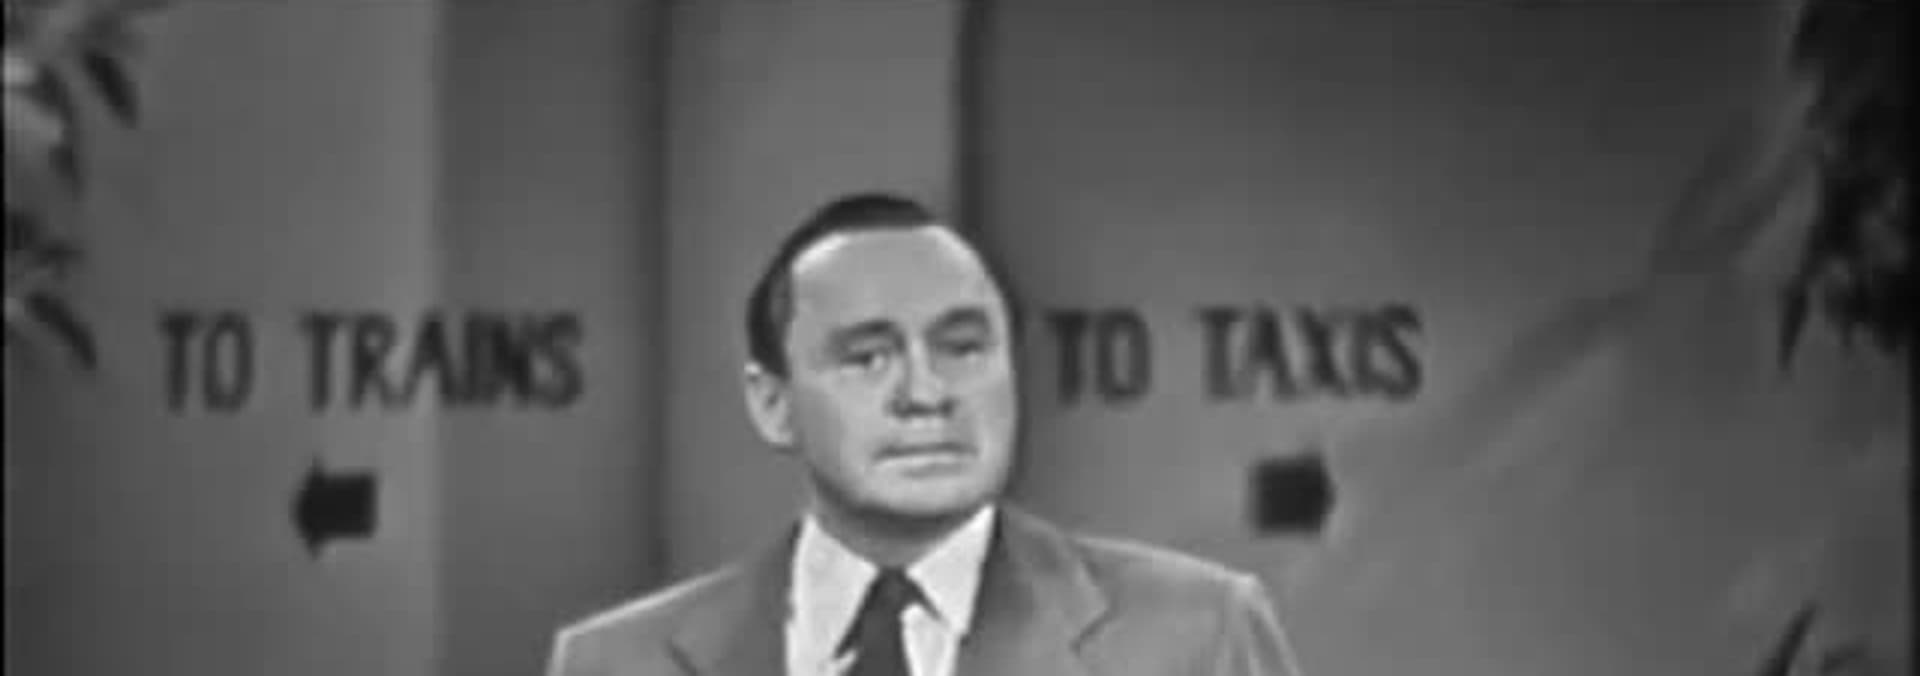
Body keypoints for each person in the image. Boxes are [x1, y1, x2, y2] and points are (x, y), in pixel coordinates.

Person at [545, 193, 1304, 676]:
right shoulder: (614, 664)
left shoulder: (1198, 635)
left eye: (963, 348)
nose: (927, 394)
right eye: (868, 358)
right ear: (773, 403)